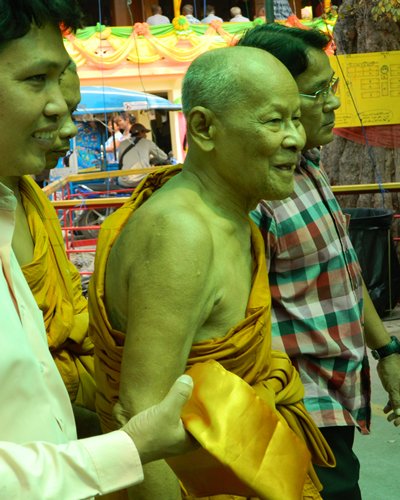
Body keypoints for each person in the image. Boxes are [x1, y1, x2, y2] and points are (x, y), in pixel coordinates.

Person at [89, 46, 336, 500]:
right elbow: (141, 419)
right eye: (274, 121)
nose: (296, 139)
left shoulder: (235, 217)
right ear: (203, 128)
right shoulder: (181, 232)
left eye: (295, 120)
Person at [0, 1, 196, 497]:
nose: (62, 112)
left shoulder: (8, 204)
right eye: (36, 79)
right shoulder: (170, 222)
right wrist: (127, 449)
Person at [239, 23, 400, 499]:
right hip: (295, 411)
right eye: (318, 92)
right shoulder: (251, 197)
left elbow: (344, 272)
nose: (334, 103)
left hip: (338, 397)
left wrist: (385, 351)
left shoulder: (307, 167)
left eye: (331, 87)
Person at [1, 62, 99, 437]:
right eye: (34, 80)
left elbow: (69, 304)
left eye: (72, 110)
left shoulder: (31, 198)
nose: (70, 129)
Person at [117, 122, 168, 188]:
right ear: (141, 132)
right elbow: (164, 157)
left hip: (124, 182)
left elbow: (120, 163)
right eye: (145, 133)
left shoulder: (122, 143)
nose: (146, 135)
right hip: (142, 181)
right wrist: (151, 160)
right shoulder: (147, 142)